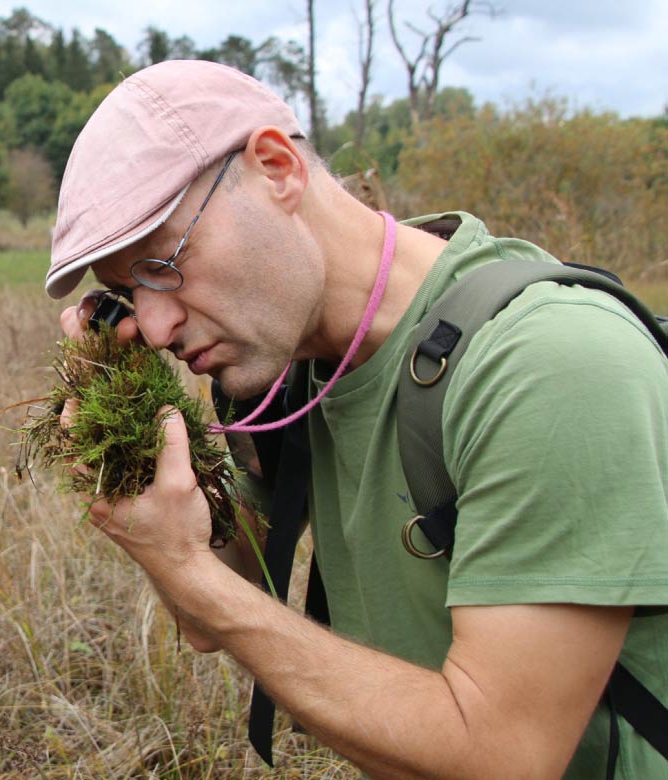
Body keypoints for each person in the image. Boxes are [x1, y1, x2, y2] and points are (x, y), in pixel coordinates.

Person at [46, 60, 668, 778]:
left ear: (277, 167)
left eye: (163, 263)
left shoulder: (549, 364)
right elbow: (215, 609)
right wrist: (137, 459)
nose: (154, 327)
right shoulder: (283, 371)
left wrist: (183, 568)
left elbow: (502, 756)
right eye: (127, 290)